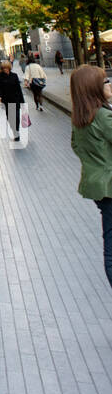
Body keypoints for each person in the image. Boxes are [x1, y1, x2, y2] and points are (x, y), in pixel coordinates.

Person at [69, 65, 112, 292]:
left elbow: (76, 146)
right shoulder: (104, 116)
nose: (109, 84)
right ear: (93, 87)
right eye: (105, 81)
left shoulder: (82, 116)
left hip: (96, 185)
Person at [0, 58, 25, 143]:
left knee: (17, 117)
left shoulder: (14, 76)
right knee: (10, 118)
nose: (5, 70)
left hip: (15, 99)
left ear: (9, 68)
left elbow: (19, 89)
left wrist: (22, 102)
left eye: (6, 68)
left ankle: (16, 132)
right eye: (3, 68)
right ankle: (14, 130)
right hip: (7, 100)